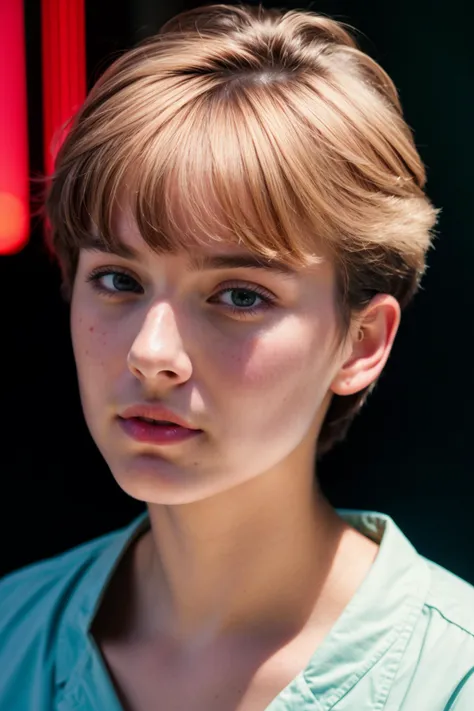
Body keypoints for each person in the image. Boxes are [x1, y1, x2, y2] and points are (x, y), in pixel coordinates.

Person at [1, 3, 473, 710]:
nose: (152, 354)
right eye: (118, 280)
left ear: (362, 341)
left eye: (240, 295)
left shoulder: (450, 678)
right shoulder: (12, 636)